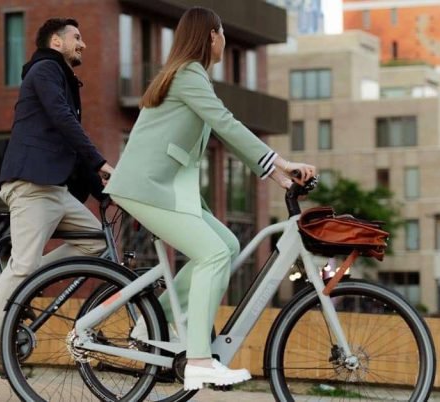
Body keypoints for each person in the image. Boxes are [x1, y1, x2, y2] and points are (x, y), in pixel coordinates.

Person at [104, 7, 316, 390]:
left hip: (163, 187)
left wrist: (279, 176)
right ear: (212, 36)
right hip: (145, 187)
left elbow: (224, 131)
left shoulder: (188, 75)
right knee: (213, 254)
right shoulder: (188, 75)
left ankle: (152, 325)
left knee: (228, 245)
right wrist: (281, 162)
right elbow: (226, 124)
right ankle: (199, 360)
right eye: (222, 34)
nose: (224, 41)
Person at [0, 17, 114, 372]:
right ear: (56, 42)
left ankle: (31, 283)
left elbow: (71, 142)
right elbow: (65, 121)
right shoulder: (44, 71)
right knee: (22, 264)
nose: (83, 44)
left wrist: (106, 194)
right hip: (32, 184)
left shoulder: (62, 79)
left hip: (54, 188)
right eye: (76, 37)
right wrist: (101, 163)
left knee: (95, 241)